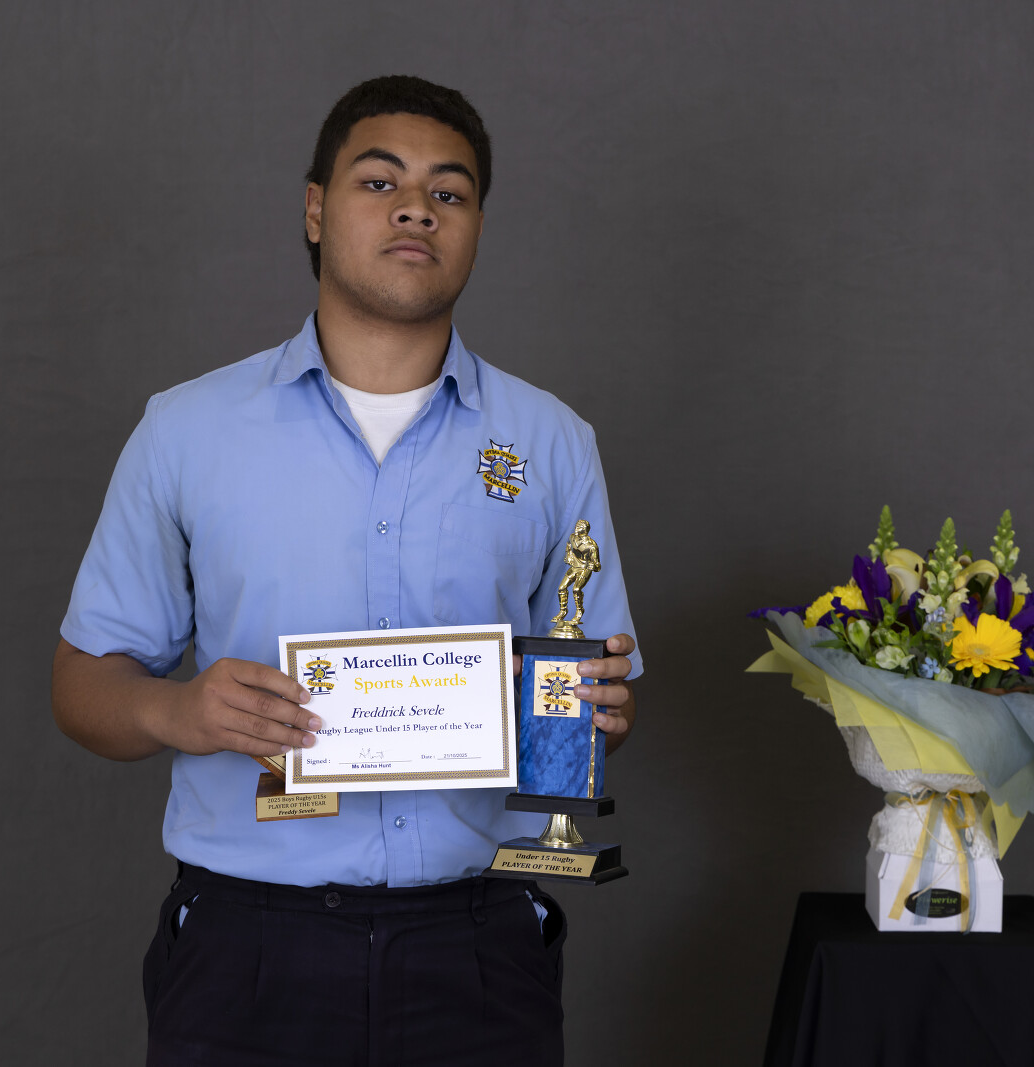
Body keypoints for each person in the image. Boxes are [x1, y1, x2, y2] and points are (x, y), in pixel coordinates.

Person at [51, 75, 642, 1067]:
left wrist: (594, 716)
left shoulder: (552, 442)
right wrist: (178, 710)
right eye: (380, 181)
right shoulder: (187, 430)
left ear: (477, 227)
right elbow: (81, 684)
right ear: (316, 209)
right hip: (246, 949)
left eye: (449, 191)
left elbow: (594, 697)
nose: (417, 208)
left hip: (479, 948)